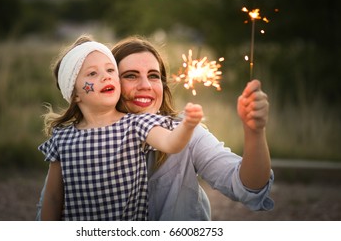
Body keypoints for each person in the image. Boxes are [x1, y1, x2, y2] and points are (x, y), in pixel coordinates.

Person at [38, 35, 203, 220]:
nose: (106, 76)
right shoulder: (63, 139)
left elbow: (170, 143)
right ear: (74, 94)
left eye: (110, 70)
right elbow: (52, 197)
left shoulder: (135, 124)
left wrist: (187, 125)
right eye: (92, 73)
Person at [111, 36, 274, 220]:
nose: (146, 86)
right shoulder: (86, 142)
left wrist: (255, 131)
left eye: (153, 76)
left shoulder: (185, 132)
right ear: (110, 84)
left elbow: (246, 187)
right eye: (130, 76)